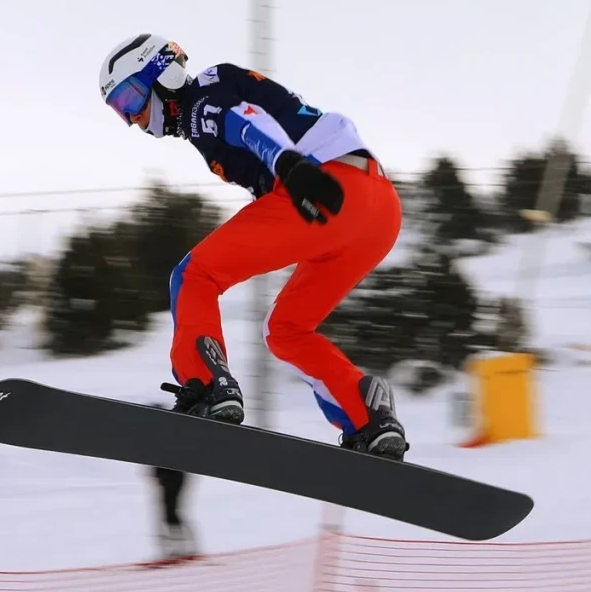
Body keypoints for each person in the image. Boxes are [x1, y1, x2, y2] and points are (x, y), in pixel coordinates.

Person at [97, 34, 408, 460]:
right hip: (378, 209)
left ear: (162, 73)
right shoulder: (203, 105)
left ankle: (206, 385)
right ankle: (367, 413)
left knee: (193, 276)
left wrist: (287, 163)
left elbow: (244, 120)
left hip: (322, 186)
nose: (133, 118)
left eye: (131, 98)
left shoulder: (199, 100)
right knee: (285, 330)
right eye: (120, 110)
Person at [150, 465, 198, 560]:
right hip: (169, 477)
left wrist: (160, 475)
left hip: (173, 476)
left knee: (171, 513)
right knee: (170, 513)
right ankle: (181, 546)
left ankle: (180, 547)